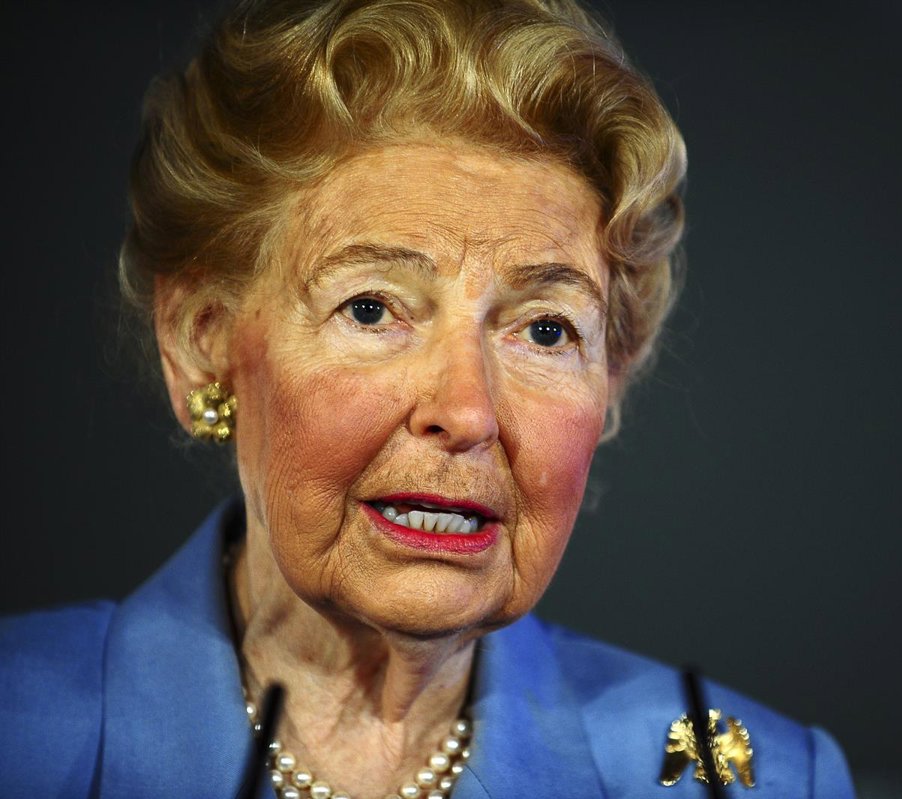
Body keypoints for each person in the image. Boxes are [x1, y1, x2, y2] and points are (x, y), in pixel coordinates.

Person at [0, 1, 854, 797]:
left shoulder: (764, 778)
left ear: (612, 384)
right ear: (203, 344)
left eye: (546, 329)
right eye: (372, 309)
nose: (468, 411)